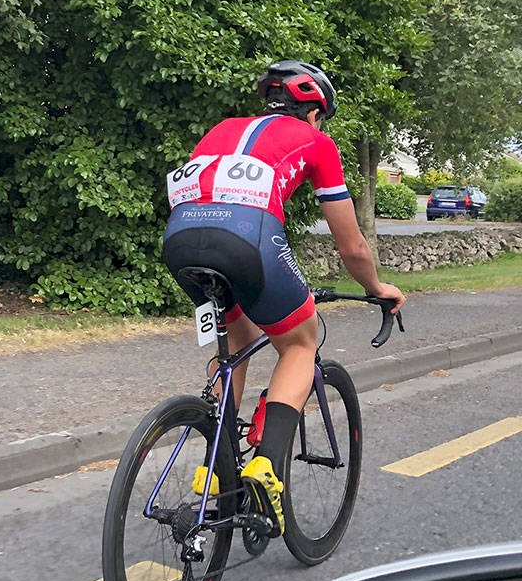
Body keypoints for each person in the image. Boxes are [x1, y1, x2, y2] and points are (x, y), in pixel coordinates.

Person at [161, 60, 405, 533]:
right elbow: (351, 245)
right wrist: (377, 288)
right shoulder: (316, 142)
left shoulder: (222, 129)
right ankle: (266, 466)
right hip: (248, 241)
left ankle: (217, 464)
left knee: (236, 337)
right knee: (299, 341)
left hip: (181, 241)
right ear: (315, 111)